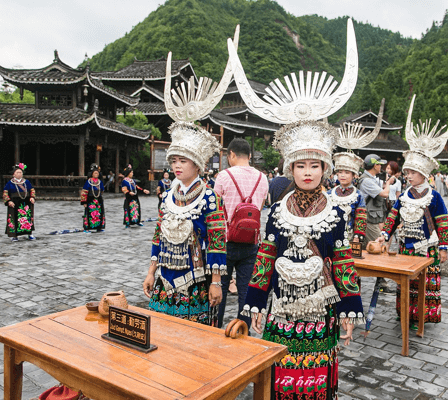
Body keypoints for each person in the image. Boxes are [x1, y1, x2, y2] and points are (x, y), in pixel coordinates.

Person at [231, 19, 363, 398]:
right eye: (300, 166)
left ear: (325, 169)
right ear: (290, 168)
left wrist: (349, 311)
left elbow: (343, 263)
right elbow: (263, 261)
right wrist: (253, 304)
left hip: (320, 311)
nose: (307, 172)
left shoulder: (335, 213)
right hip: (282, 310)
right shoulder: (275, 211)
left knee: (317, 378)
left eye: (315, 165)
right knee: (281, 377)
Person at [142, 46, 233, 324]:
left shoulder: (209, 199)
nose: (177, 165)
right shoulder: (168, 196)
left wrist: (216, 281)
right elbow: (159, 236)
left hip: (196, 281)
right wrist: (150, 271)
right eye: (174, 160)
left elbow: (217, 243)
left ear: (197, 165)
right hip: (164, 280)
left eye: (183, 160)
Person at [377, 86, 448, 327]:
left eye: (411, 173)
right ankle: (405, 313)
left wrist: (444, 247)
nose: (407, 176)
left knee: (425, 284)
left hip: (427, 249)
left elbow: (443, 222)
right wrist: (384, 236)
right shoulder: (404, 195)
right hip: (405, 247)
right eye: (406, 172)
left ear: (423, 174)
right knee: (406, 283)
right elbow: (393, 218)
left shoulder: (435, 196)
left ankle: (422, 317)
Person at [214, 137, 268, 329]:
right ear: (250, 156)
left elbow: (216, 210)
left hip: (225, 241)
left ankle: (214, 329)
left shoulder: (223, 176)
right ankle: (244, 333)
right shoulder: (263, 178)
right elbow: (259, 208)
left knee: (219, 289)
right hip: (252, 241)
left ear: (231, 155)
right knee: (246, 292)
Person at [358, 153, 395, 290]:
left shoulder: (370, 179)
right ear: (375, 165)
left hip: (370, 219)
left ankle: (376, 280)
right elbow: (385, 194)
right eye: (380, 164)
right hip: (367, 220)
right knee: (379, 248)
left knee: (361, 249)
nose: (381, 167)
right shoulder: (366, 181)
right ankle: (382, 283)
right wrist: (389, 184)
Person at [3, 163, 36, 242]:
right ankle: (14, 235)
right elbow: (5, 193)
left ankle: (29, 233)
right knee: (14, 219)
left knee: (27, 218)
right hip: (14, 203)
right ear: (13, 174)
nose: (19, 174)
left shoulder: (26, 182)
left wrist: (32, 197)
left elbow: (32, 190)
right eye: (17, 172)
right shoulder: (10, 183)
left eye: (20, 172)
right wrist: (8, 201)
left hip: (25, 203)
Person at [81, 166, 105, 233]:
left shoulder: (100, 182)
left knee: (99, 213)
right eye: (95, 173)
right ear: (92, 174)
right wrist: (84, 202)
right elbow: (84, 192)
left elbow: (102, 190)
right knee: (89, 213)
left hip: (98, 200)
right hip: (90, 199)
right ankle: (87, 228)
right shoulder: (88, 182)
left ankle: (99, 227)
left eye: (97, 173)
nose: (96, 174)